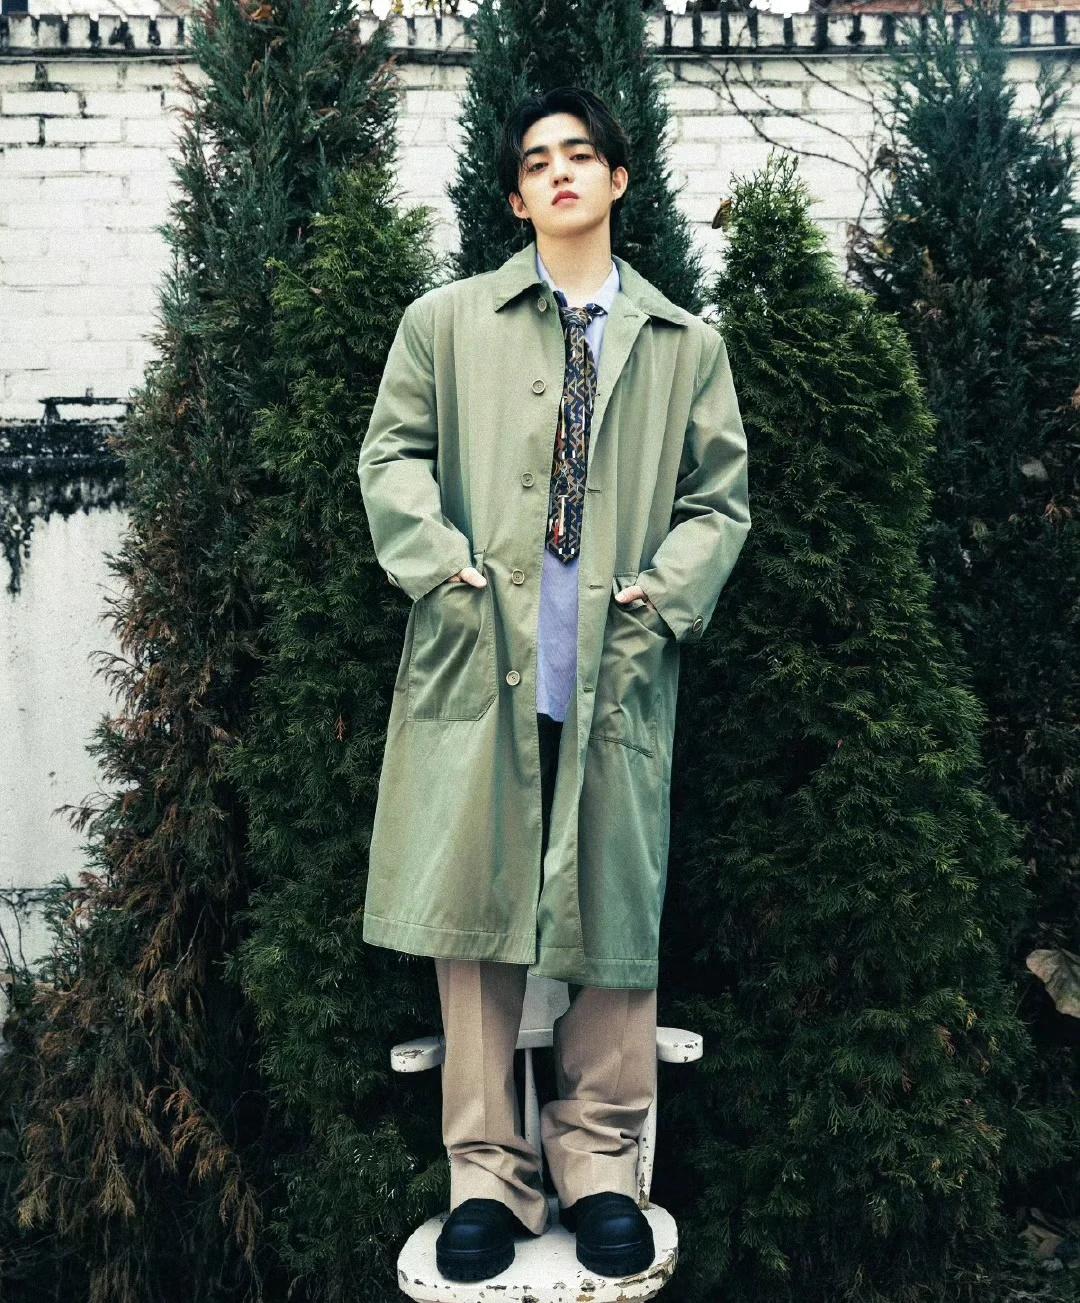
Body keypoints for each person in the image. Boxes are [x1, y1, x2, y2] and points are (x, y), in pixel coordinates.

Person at [357, 85, 751, 1284]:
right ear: (517, 196)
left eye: (582, 154)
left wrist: (663, 598)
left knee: (614, 911)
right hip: (483, 661)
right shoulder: (446, 323)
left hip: (614, 668)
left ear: (620, 180)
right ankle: (486, 1175)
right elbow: (390, 455)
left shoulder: (683, 344)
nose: (562, 172)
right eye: (538, 161)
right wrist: (442, 569)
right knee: (476, 912)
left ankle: (600, 1162)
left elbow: (718, 502)